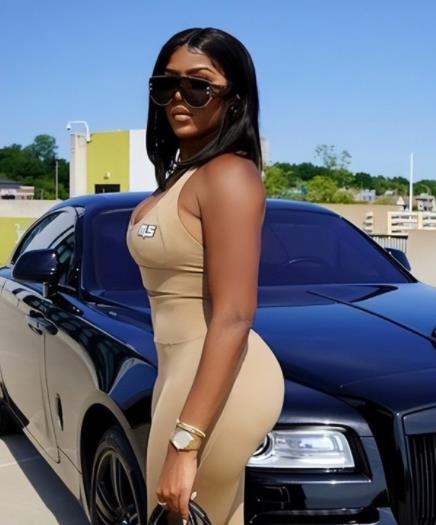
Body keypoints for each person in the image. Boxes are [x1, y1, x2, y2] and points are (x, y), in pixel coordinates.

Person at [126, 28, 284, 524]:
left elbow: (234, 315)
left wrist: (186, 442)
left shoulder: (228, 175)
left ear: (233, 97)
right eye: (166, 84)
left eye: (198, 85)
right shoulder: (187, 176)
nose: (179, 96)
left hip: (221, 379)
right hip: (180, 372)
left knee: (173, 512)